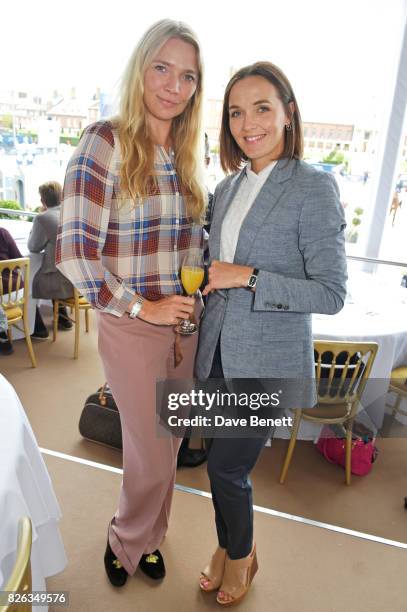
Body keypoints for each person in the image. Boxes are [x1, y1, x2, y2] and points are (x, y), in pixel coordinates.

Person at [56, 19, 205, 587]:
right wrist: (142, 307)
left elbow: (191, 241)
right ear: (140, 69)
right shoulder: (105, 140)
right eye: (161, 68)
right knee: (148, 448)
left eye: (187, 75)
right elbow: (74, 253)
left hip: (185, 326)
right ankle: (126, 537)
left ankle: (149, 537)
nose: (173, 85)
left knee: (169, 444)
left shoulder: (190, 151)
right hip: (134, 325)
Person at [195, 61, 347, 606]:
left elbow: (331, 293)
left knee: (226, 466)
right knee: (218, 460)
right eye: (236, 111)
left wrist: (250, 278)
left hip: (269, 358)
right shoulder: (228, 186)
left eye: (262, 107)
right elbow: (214, 264)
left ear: (288, 114)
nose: (247, 122)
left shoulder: (314, 187)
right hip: (214, 349)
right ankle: (225, 546)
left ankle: (241, 556)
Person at [28, 181, 73, 330]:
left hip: (58, 279)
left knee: (29, 281)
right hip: (76, 276)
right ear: (61, 196)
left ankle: (37, 326)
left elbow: (33, 247)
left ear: (42, 200)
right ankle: (61, 312)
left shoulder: (43, 218)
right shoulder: (71, 213)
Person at [0, 226, 48, 339]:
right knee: (29, 286)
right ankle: (37, 328)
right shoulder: (3, 232)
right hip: (17, 294)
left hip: (2, 297)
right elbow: (18, 260)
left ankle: (3, 337)